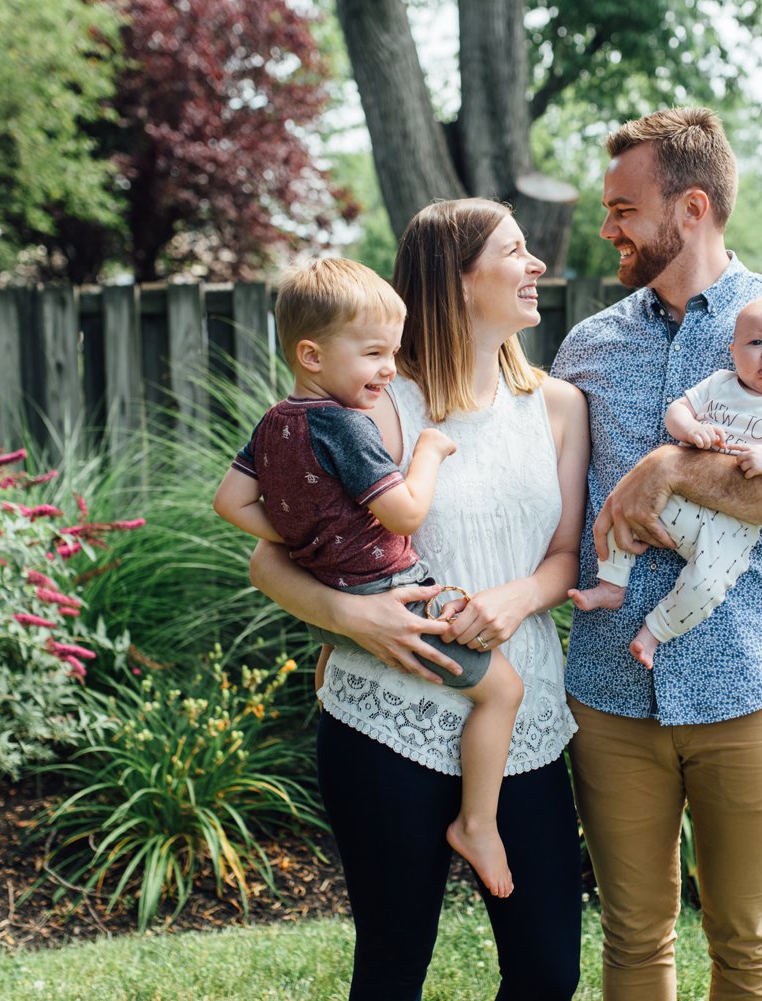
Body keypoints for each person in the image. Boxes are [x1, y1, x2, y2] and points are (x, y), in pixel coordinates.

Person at [549, 107, 762, 1000]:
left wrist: (674, 467)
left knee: (747, 943)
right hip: (609, 690)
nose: (606, 227)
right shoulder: (588, 346)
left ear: (691, 208)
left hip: (747, 679)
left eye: (623, 208)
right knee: (632, 940)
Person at [246, 199, 590, 1001]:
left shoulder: (557, 406)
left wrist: (515, 598)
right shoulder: (369, 401)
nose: (537, 263)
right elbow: (270, 557)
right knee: (393, 968)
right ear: (460, 280)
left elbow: (566, 554)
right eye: (516, 250)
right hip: (385, 717)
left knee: (548, 972)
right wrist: (352, 616)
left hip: (520, 714)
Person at [212, 257, 525, 898]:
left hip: (339, 603)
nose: (388, 369)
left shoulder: (274, 423)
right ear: (312, 354)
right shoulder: (344, 424)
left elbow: (230, 503)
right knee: (504, 692)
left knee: (336, 673)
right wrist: (430, 452)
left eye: (394, 353)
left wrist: (307, 537)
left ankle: (336, 675)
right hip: (389, 594)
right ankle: (478, 822)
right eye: (375, 354)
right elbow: (406, 510)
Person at [567, 293, 762, 668]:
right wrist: (690, 429)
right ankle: (611, 584)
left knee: (707, 584)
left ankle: (654, 633)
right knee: (626, 505)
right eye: (756, 343)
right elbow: (678, 410)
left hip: (734, 524)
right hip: (681, 505)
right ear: (733, 349)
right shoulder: (720, 384)